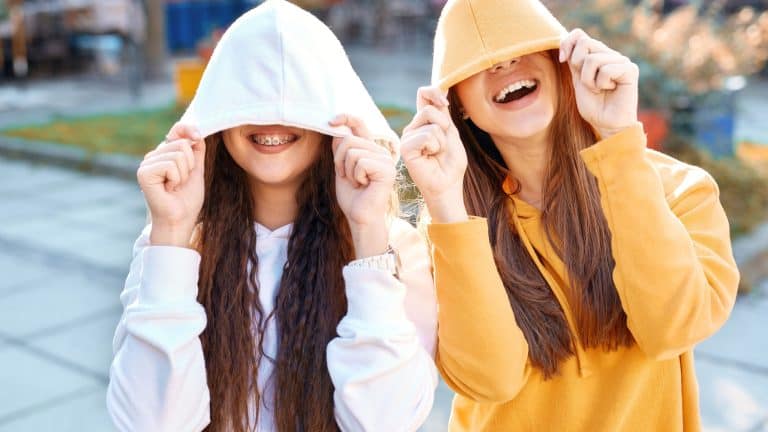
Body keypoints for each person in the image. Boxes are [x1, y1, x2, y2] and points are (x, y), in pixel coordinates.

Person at [400, 0, 740, 430]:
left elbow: (674, 328)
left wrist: (618, 139)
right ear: (457, 105)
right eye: (480, 64)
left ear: (565, 65)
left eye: (523, 48)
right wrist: (445, 203)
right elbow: (490, 381)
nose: (505, 64)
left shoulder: (680, 190)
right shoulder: (448, 230)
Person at [106, 1, 437, 431]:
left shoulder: (392, 246)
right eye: (249, 94)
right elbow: (152, 423)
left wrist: (367, 234)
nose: (273, 113)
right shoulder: (175, 244)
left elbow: (385, 421)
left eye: (297, 96)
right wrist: (170, 233)